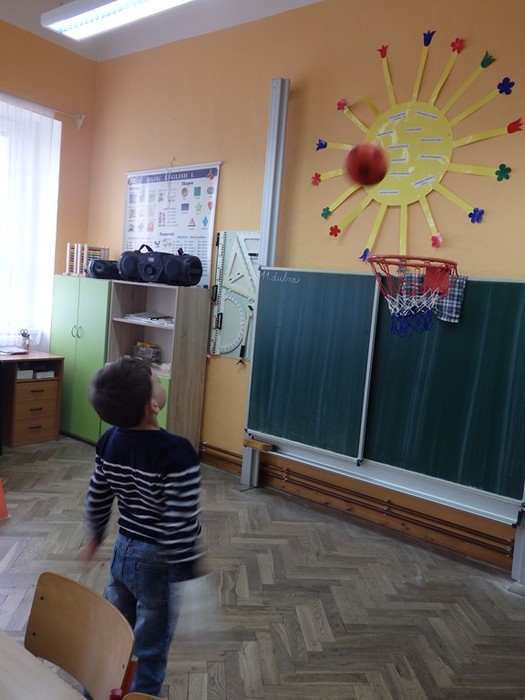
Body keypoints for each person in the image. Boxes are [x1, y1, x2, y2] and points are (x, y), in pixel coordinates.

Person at [83, 357, 203, 697]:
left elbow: (97, 494)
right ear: (153, 405)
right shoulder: (177, 452)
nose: (161, 384)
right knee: (150, 649)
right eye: (157, 381)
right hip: (158, 563)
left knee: (113, 632)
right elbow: (180, 522)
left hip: (123, 551)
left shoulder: (109, 441)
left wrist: (95, 534)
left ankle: (93, 692)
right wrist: (189, 572)